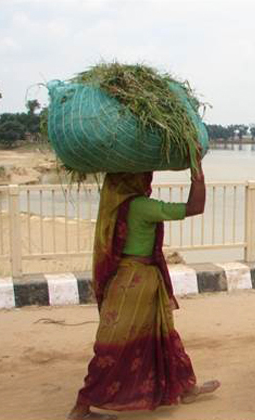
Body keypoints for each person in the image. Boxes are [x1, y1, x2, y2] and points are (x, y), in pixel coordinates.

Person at [68, 155, 220, 420]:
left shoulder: (113, 207)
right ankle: (82, 406)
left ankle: (187, 388)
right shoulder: (141, 206)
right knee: (113, 348)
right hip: (138, 283)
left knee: (163, 336)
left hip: (124, 279)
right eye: (144, 174)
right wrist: (197, 169)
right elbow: (195, 207)